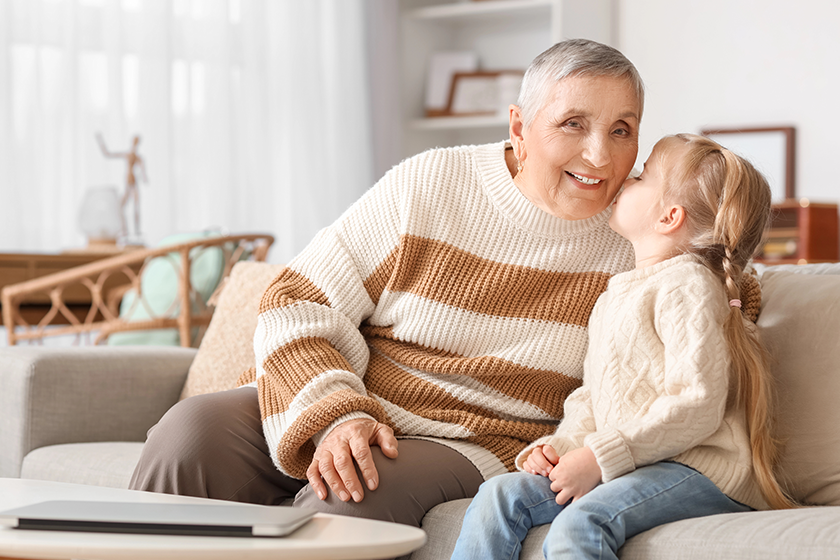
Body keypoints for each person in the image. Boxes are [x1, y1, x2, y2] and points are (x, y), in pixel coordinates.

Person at [129, 38, 647, 528]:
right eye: (573, 124)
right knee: (189, 432)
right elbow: (296, 300)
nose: (600, 156)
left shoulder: (642, 238)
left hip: (480, 439)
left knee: (351, 493)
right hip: (356, 399)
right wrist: (337, 412)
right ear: (519, 127)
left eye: (621, 129)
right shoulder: (430, 183)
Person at [449, 133, 796, 560]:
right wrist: (562, 448)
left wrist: (599, 457)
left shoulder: (688, 286)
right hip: (631, 464)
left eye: (644, 174)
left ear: (669, 216)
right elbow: (592, 397)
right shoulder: (615, 295)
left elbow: (698, 402)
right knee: (499, 494)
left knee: (582, 523)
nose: (628, 178)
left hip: (700, 470)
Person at [96, 133, 147, 239]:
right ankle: (125, 231)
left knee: (136, 207)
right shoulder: (128, 155)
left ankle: (136, 232)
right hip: (128, 182)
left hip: (133, 181)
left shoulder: (138, 157)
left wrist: (144, 177)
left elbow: (143, 172)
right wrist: (100, 141)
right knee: (120, 207)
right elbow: (108, 154)